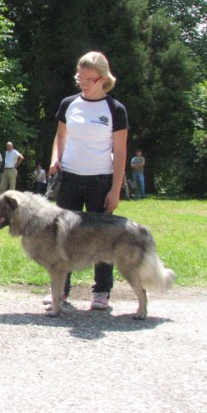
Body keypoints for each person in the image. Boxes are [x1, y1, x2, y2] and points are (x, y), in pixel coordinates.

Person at [47, 51, 128, 310]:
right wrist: (54, 159)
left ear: (104, 79)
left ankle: (102, 292)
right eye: (79, 77)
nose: (82, 83)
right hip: (69, 178)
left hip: (100, 180)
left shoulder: (115, 109)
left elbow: (121, 152)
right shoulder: (69, 103)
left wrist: (115, 189)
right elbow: (60, 137)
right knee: (63, 236)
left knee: (102, 237)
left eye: (89, 79)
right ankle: (61, 291)